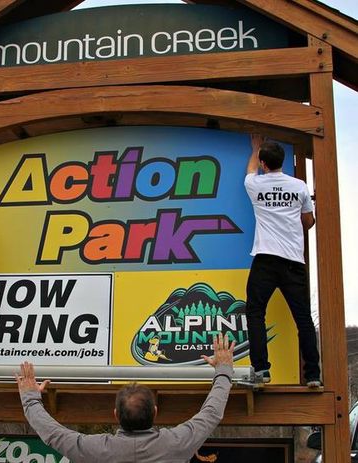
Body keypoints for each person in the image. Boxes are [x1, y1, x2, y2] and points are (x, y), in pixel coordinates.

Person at [17, 334, 235, 463]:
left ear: (115, 415)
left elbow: (54, 435)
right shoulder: (175, 444)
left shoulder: (97, 449)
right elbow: (212, 413)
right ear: (155, 412)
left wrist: (30, 398)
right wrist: (223, 370)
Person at [244, 134, 321, 387]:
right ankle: (312, 375)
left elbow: (250, 170)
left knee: (255, 312)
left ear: (264, 164)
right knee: (303, 319)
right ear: (283, 162)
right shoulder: (299, 186)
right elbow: (309, 221)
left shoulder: (255, 185)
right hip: (293, 261)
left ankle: (261, 370)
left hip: (266, 259)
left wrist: (255, 147)